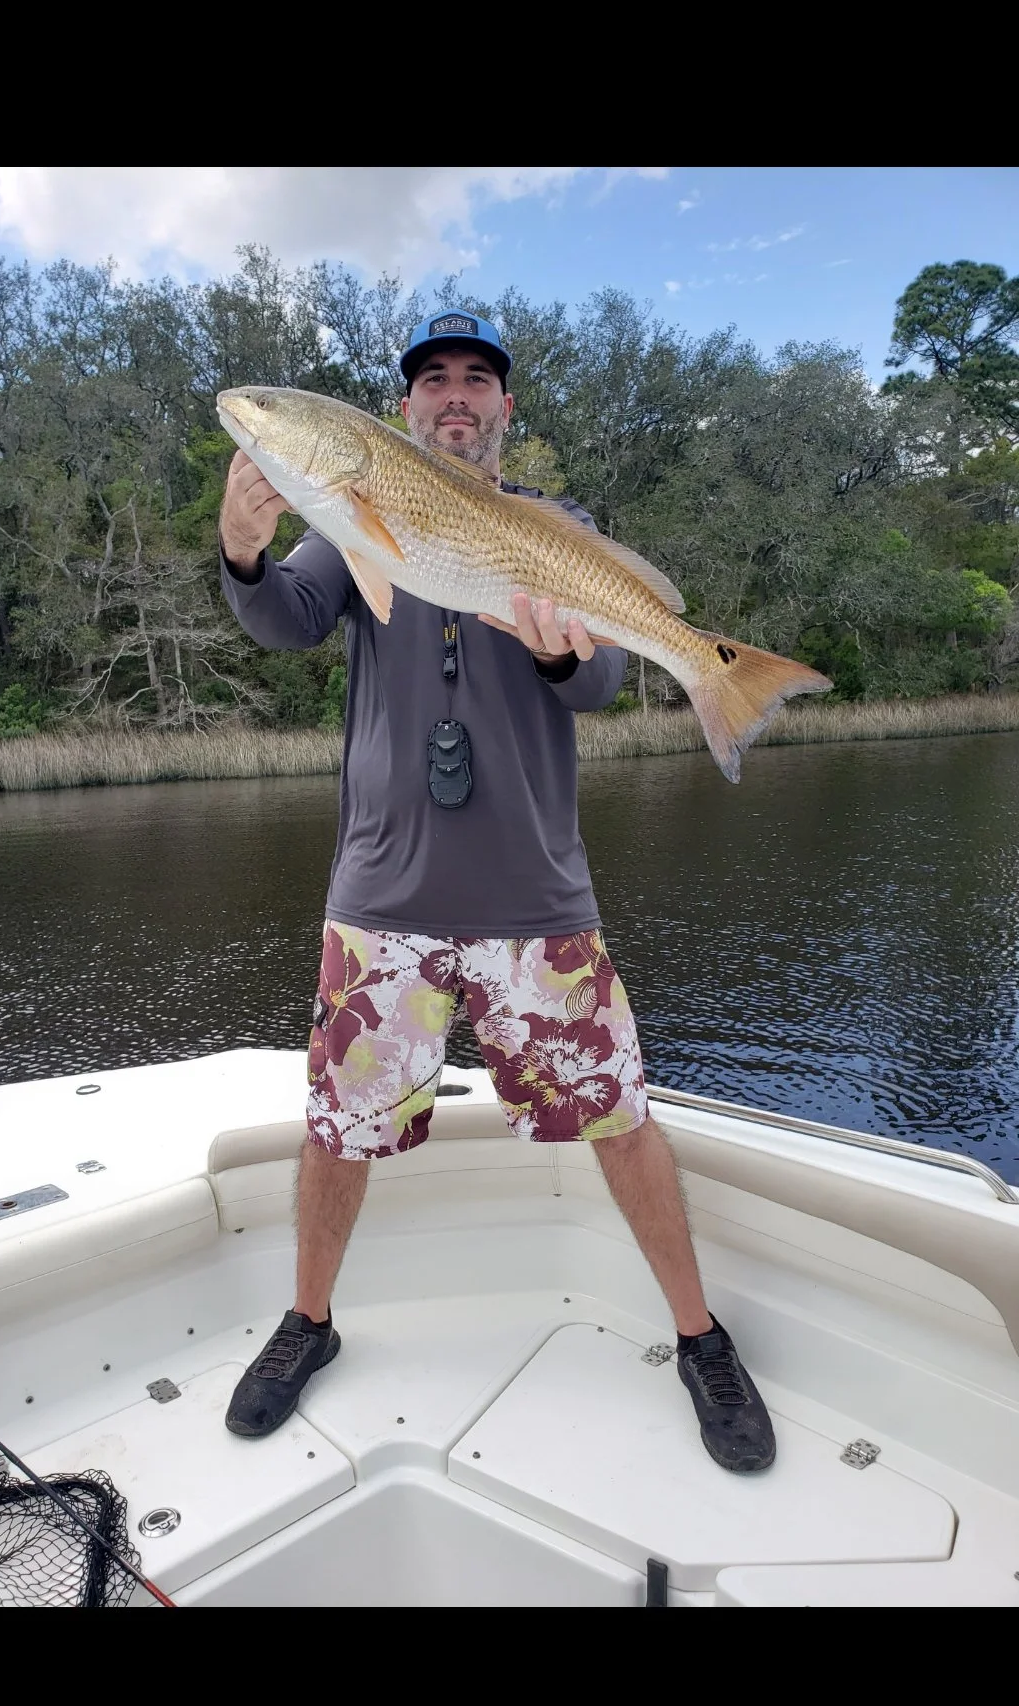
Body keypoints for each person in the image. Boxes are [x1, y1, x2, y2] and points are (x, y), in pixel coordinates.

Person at [218, 311, 775, 1472]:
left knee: (618, 1118)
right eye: (433, 383)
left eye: (477, 381)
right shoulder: (347, 516)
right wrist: (241, 548)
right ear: (400, 412)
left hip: (534, 891)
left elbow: (602, 685)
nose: (455, 397)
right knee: (337, 1126)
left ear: (506, 409)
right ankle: (308, 1324)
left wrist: (564, 650)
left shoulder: (555, 531)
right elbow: (285, 620)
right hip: (382, 891)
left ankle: (699, 1338)